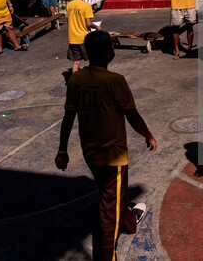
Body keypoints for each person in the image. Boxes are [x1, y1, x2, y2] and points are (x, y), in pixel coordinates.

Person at [55, 30, 157, 261]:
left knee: (113, 197)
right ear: (109, 53)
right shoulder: (115, 81)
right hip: (113, 156)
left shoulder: (76, 79)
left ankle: (130, 222)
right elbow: (132, 115)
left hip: (90, 152)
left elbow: (68, 117)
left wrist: (62, 149)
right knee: (109, 210)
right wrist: (148, 135)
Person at [66, 0, 102, 73]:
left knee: (76, 62)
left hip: (73, 38)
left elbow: (68, 20)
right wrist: (97, 27)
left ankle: (74, 80)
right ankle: (92, 77)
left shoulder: (69, 5)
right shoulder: (86, 6)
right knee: (93, 59)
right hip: (84, 38)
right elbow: (88, 23)